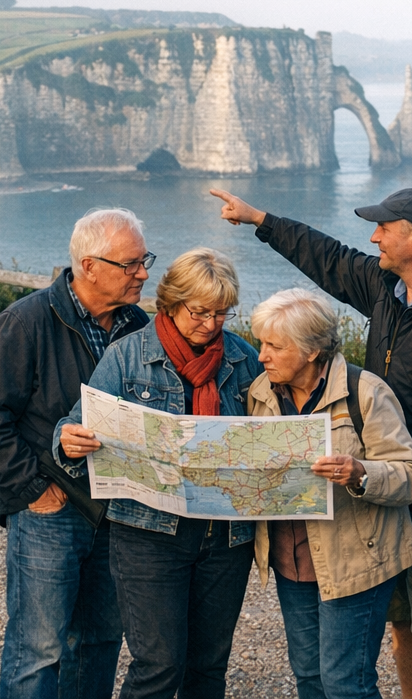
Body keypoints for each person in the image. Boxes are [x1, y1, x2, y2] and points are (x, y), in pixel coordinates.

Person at [212, 185, 412, 699]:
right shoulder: (386, 287)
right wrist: (259, 219)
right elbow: (326, 257)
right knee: (401, 626)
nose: (373, 237)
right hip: (377, 507)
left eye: (383, 228)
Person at [0, 207, 154, 699]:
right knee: (38, 649)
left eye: (143, 260)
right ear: (89, 266)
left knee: (99, 642)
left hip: (116, 513)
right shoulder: (24, 321)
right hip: (51, 511)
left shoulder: (138, 326)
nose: (143, 273)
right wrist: (33, 489)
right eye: (130, 264)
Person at [54, 248, 261, 699]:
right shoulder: (125, 357)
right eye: (200, 312)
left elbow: (271, 432)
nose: (211, 325)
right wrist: (70, 439)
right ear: (170, 302)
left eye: (222, 314)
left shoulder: (244, 358)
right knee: (158, 667)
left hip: (225, 539)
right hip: (148, 538)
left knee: (208, 669)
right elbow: (72, 426)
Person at [245, 288, 412, 699]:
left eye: (275, 346)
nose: (262, 355)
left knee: (346, 684)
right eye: (261, 343)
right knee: (308, 676)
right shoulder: (260, 391)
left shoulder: (366, 392)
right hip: (290, 560)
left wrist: (359, 473)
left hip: (356, 559)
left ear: (311, 351)